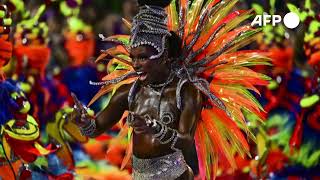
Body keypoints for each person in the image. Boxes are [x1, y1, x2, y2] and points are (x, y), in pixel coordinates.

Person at [72, 0, 270, 179]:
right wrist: (84, 123)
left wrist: (155, 128)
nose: (136, 65)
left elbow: (186, 140)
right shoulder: (129, 92)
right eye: (133, 58)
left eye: (143, 57)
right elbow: (96, 129)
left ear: (164, 54)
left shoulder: (186, 92)